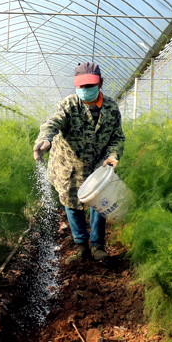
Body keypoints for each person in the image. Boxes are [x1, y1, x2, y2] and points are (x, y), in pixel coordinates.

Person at [33, 62, 125, 264]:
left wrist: (113, 156)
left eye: (89, 86)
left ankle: (98, 246)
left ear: (100, 83)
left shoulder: (110, 107)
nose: (84, 90)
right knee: (72, 203)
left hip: (98, 166)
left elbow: (117, 138)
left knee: (99, 203)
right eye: (80, 86)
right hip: (69, 166)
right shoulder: (69, 104)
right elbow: (53, 122)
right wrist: (45, 139)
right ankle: (82, 247)